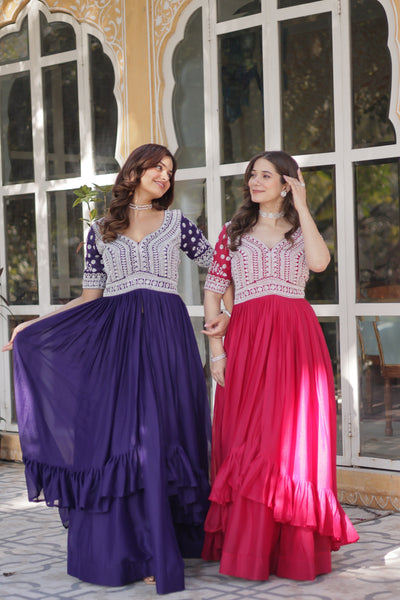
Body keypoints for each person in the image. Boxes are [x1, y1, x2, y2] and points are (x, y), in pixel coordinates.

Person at [2, 143, 226, 595]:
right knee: (126, 441)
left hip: (167, 340)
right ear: (135, 171)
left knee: (163, 435)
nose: (164, 176)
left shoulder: (178, 224)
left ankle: (163, 547)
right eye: (156, 167)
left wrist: (223, 314)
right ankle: (136, 550)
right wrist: (35, 325)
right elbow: (90, 298)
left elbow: (221, 266)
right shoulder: (102, 230)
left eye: (169, 171)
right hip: (118, 344)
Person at [201, 150, 359, 581]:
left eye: (265, 176)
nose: (254, 182)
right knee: (249, 437)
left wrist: (303, 207)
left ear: (287, 184)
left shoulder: (300, 229)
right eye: (252, 175)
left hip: (295, 338)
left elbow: (320, 263)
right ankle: (249, 547)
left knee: (291, 442)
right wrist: (217, 351)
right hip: (248, 339)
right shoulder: (233, 231)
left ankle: (291, 549)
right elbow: (214, 292)